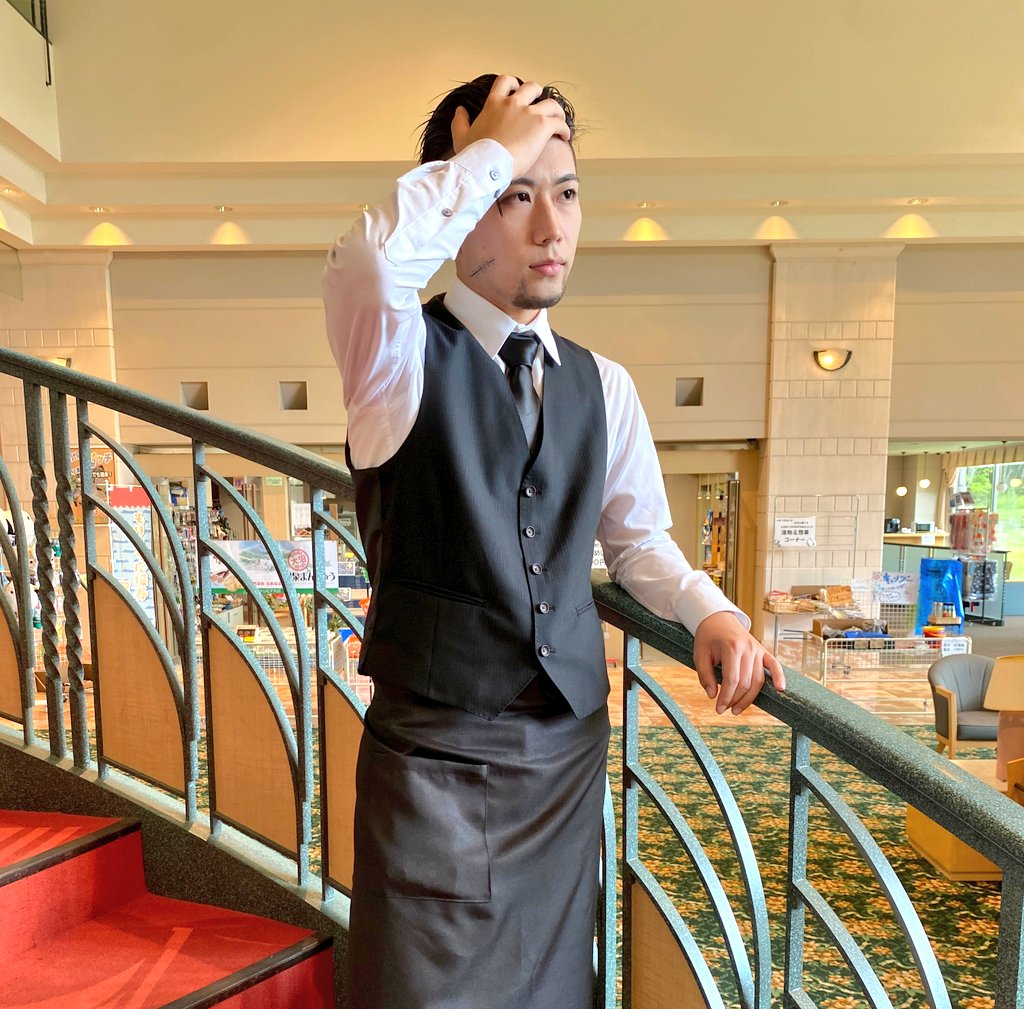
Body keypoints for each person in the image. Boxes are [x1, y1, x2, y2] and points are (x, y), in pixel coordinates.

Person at [323, 73, 785, 1009]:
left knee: (553, 990)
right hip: (437, 758)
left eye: (567, 194)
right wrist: (482, 156)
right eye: (514, 195)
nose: (552, 227)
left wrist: (710, 611)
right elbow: (367, 264)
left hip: (564, 757)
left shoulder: (603, 384)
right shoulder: (397, 355)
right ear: (462, 205)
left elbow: (638, 540)